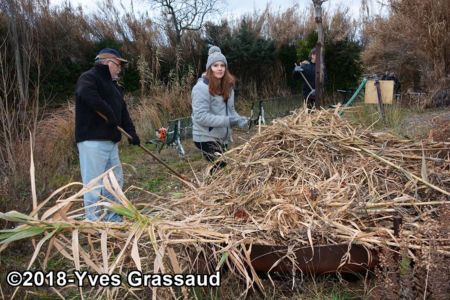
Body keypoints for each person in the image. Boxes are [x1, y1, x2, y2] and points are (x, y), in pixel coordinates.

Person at [75, 48, 140, 222]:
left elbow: (123, 112)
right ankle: (94, 223)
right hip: (92, 141)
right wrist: (109, 114)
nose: (120, 69)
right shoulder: (88, 78)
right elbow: (87, 95)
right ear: (107, 62)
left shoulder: (115, 86)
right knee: (93, 184)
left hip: (111, 143)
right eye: (118, 65)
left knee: (114, 183)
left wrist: (131, 132)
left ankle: (113, 219)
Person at [191, 46, 248, 173]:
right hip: (205, 137)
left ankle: (211, 185)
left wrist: (239, 120)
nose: (219, 68)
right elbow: (200, 116)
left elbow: (231, 111)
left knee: (223, 169)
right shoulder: (201, 88)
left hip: (222, 137)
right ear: (209, 68)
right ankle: (208, 190)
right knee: (220, 168)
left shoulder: (228, 87)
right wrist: (228, 121)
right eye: (215, 65)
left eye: (222, 65)